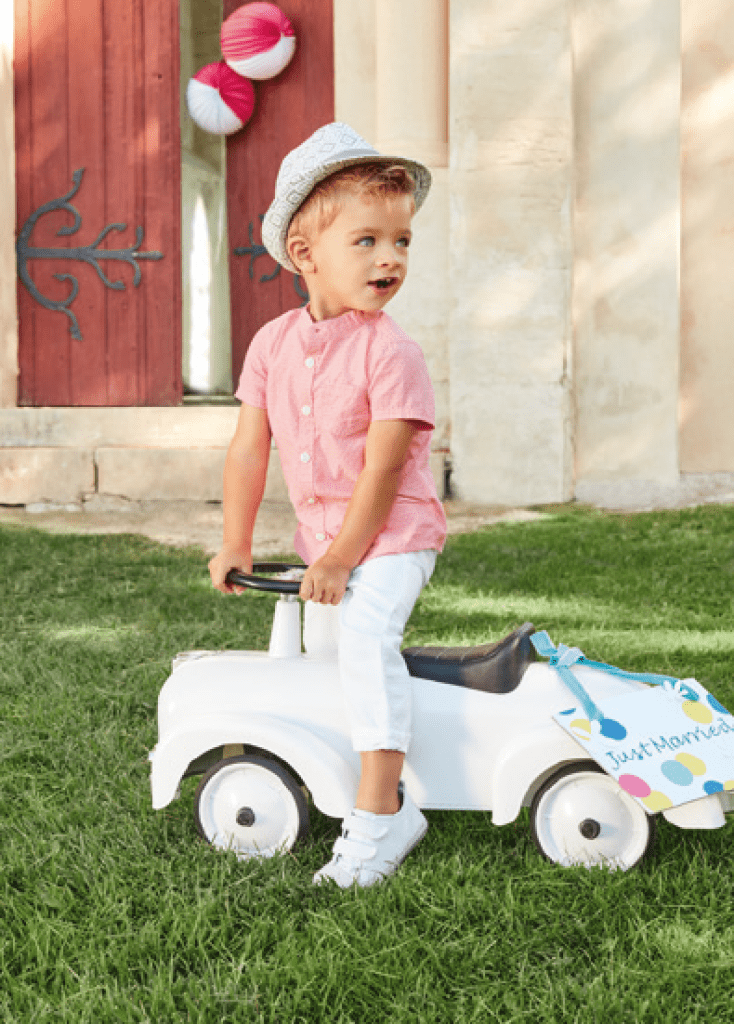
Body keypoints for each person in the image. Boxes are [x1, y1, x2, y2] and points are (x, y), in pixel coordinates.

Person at [208, 122, 447, 887]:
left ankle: (381, 817)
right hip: (328, 545)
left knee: (366, 637)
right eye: (369, 241)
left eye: (402, 242)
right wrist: (235, 541)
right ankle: (346, 778)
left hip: (394, 536)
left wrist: (345, 557)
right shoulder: (272, 345)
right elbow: (250, 449)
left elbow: (383, 471)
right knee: (324, 663)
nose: (391, 259)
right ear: (307, 255)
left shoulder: (391, 351)